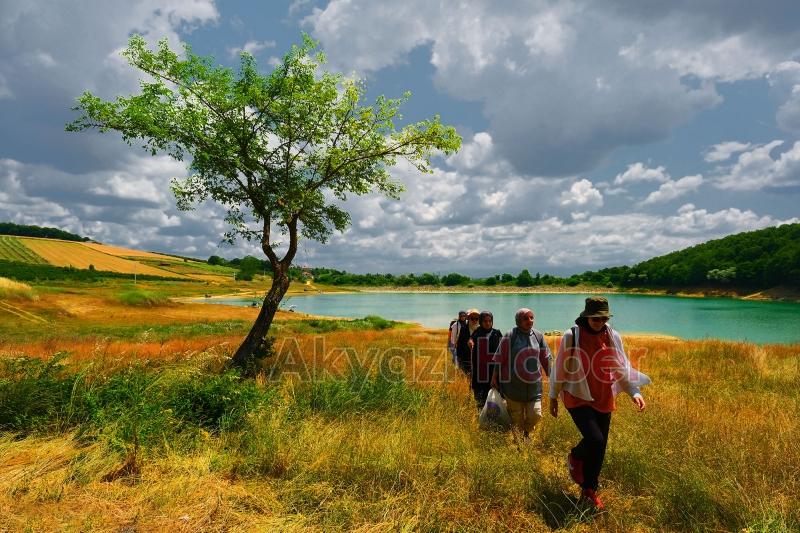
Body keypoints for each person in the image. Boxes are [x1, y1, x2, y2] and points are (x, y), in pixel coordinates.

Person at [548, 296, 651, 510]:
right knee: (594, 440)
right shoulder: (572, 336)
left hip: (604, 397)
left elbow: (621, 368)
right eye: (595, 318)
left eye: (603, 318)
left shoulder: (612, 336)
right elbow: (560, 369)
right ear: (586, 316)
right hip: (577, 397)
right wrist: (553, 396)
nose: (599, 322)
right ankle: (575, 457)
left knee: (600, 448)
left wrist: (634, 392)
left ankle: (589, 489)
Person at [491, 308, 551, 438]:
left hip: (534, 387)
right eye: (526, 318)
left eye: (531, 317)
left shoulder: (538, 336)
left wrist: (551, 375)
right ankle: (519, 442)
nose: (530, 321)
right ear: (518, 321)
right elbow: (500, 358)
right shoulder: (510, 335)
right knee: (516, 416)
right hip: (513, 386)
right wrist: (494, 377)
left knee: (536, 414)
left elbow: (545, 358)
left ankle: (527, 432)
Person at [469, 310, 502, 410]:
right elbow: (471, 339)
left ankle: (494, 422)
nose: (488, 323)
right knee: (480, 401)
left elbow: (503, 350)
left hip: (494, 373)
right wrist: (470, 343)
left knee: (495, 402)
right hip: (480, 373)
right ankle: (481, 421)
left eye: (489, 321)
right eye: (485, 321)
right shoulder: (477, 333)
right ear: (480, 322)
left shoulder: (497, 333)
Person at [456, 308, 480, 375]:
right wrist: (459, 359)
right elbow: (459, 344)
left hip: (478, 360)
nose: (474, 320)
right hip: (465, 358)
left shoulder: (482, 330)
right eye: (472, 318)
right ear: (468, 319)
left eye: (476, 318)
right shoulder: (464, 329)